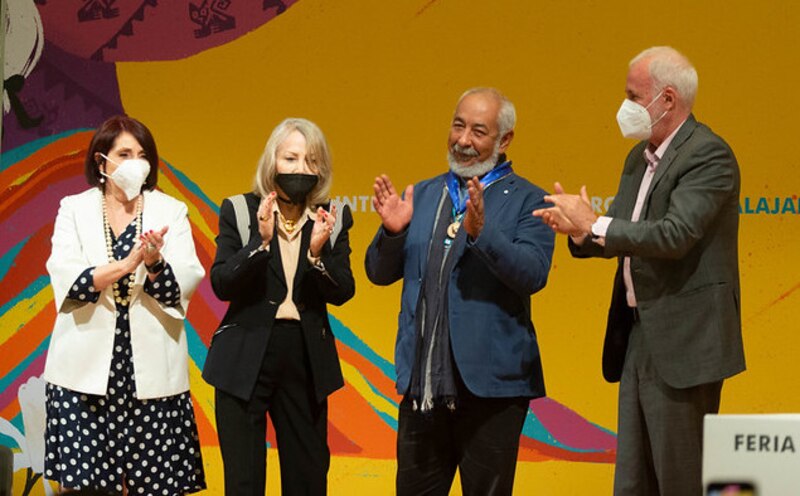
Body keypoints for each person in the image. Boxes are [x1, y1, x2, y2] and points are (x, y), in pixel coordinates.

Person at [533, 46, 746, 495]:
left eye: (633, 95)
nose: (625, 106)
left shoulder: (708, 156)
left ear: (667, 99)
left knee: (679, 479)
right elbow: (621, 233)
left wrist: (597, 223)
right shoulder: (639, 158)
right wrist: (579, 231)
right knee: (632, 479)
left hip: (686, 341)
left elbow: (673, 235)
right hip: (637, 332)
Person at [365, 87, 555, 496]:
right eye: (458, 125)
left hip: (491, 391)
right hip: (424, 386)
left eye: (479, 131)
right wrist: (393, 232)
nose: (463, 140)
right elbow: (378, 274)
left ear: (504, 141)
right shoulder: (426, 194)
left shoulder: (529, 200)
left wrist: (483, 233)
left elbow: (532, 274)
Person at [43, 115, 207, 495]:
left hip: (151, 379)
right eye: (125, 153)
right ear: (102, 162)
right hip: (82, 379)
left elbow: (185, 281)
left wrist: (153, 263)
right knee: (86, 488)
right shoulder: (74, 209)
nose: (136, 161)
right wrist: (126, 264)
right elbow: (67, 277)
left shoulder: (171, 211)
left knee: (157, 487)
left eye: (142, 154)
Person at [203, 117, 355, 495]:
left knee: (307, 479)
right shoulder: (239, 210)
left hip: (304, 356)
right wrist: (260, 242)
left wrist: (317, 254)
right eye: (291, 158)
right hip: (244, 355)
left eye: (311, 161)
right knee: (244, 481)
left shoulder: (330, 218)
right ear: (272, 161)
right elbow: (222, 283)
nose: (301, 169)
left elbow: (343, 291)